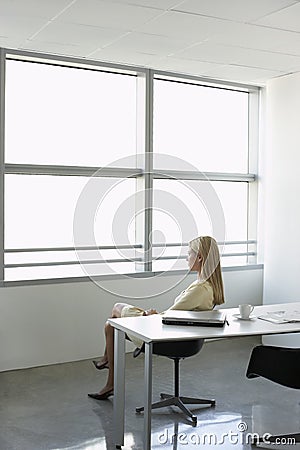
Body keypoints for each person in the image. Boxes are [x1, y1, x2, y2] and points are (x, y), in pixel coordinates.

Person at [88, 236, 224, 400]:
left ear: (200, 257)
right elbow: (178, 314)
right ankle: (110, 379)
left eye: (189, 253)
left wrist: (151, 315)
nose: (186, 258)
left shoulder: (200, 289)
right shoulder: (205, 285)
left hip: (168, 338)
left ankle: (108, 364)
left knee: (117, 308)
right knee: (111, 326)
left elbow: (168, 317)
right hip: (179, 335)